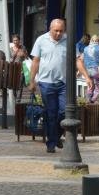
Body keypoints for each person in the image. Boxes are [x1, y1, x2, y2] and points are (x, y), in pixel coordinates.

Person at [29, 19, 88, 153]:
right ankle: (51, 144)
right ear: (50, 29)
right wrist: (32, 81)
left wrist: (87, 77)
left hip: (63, 83)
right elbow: (35, 61)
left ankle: (55, 136)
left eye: (61, 31)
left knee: (63, 112)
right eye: (56, 31)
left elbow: (77, 60)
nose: (58, 33)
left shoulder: (68, 41)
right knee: (51, 113)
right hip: (46, 83)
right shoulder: (41, 40)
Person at [79, 35, 99, 103]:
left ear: (91, 40)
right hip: (96, 70)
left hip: (87, 70)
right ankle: (92, 100)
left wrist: (79, 71)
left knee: (90, 86)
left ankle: (88, 100)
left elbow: (81, 59)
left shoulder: (85, 48)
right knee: (98, 88)